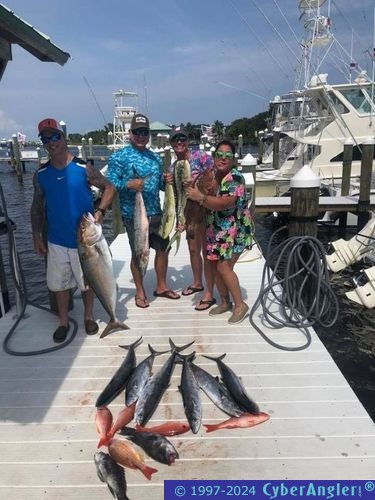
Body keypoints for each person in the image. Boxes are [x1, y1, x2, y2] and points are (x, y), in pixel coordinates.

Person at [31, 118, 116, 342]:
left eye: (55, 136)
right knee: (58, 284)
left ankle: (88, 316)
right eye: (45, 139)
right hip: (56, 239)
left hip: (84, 239)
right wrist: (36, 234)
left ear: (63, 137)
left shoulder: (83, 168)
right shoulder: (40, 174)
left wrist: (100, 212)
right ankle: (63, 321)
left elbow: (109, 188)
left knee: (87, 281)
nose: (51, 142)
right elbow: (37, 207)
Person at [106, 113, 180, 308]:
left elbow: (160, 186)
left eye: (144, 132)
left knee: (163, 248)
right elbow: (110, 184)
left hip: (155, 211)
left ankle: (161, 286)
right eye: (137, 132)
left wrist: (167, 182)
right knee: (138, 252)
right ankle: (140, 291)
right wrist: (129, 184)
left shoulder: (154, 157)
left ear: (149, 135)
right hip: (133, 214)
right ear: (130, 133)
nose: (140, 136)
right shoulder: (119, 156)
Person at [186, 139, 252, 324]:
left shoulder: (236, 178)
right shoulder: (211, 175)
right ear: (214, 157)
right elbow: (195, 192)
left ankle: (240, 305)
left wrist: (201, 197)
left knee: (224, 267)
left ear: (233, 159)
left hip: (234, 229)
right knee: (214, 265)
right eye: (219, 155)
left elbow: (224, 203)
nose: (223, 158)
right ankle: (225, 302)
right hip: (214, 229)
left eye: (228, 155)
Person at [168, 126, 216, 311]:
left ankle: (211, 290)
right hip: (188, 212)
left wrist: (195, 182)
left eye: (182, 139)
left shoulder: (201, 157)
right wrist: (168, 182)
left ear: (187, 141)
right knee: (193, 249)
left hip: (206, 209)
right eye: (175, 139)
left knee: (208, 250)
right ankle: (197, 282)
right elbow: (173, 194)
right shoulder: (172, 167)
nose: (179, 142)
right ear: (171, 144)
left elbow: (214, 177)